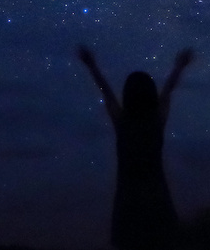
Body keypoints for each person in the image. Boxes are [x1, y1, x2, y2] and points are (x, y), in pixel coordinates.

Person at [77, 45, 195, 250]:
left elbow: (106, 92)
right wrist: (179, 67)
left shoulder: (122, 122)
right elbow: (167, 91)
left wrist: (92, 66)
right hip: (157, 198)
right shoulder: (156, 121)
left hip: (128, 201)